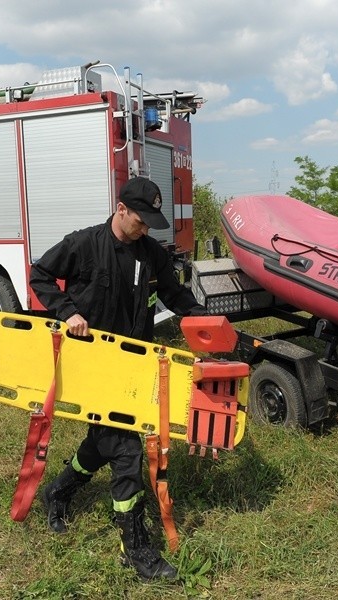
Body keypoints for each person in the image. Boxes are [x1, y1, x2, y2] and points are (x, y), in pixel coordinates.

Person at [29, 176, 207, 581]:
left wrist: (202, 319)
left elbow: (175, 296)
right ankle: (135, 547)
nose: (146, 229)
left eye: (150, 223)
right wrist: (66, 311)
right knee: (126, 449)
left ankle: (60, 490)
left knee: (104, 441)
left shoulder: (151, 253)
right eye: (141, 221)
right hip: (92, 364)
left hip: (135, 365)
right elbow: (40, 273)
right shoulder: (83, 244)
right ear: (121, 209)